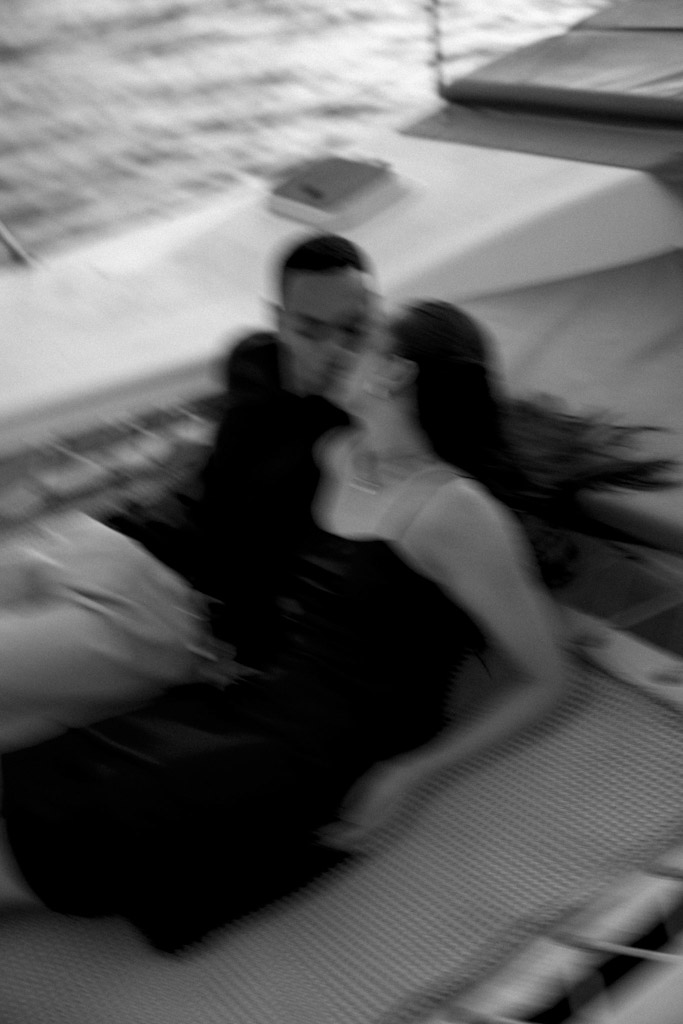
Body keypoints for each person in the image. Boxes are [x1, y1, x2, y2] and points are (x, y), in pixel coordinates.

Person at [0, 301, 574, 951]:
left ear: (394, 375)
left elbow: (549, 678)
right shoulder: (342, 453)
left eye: (361, 340)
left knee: (100, 812)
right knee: (54, 769)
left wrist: (416, 772)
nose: (341, 351)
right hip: (252, 698)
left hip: (323, 750)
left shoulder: (453, 511)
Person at [108, 232, 377, 668]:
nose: (337, 352)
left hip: (183, 606)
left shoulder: (372, 424)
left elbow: (270, 563)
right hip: (141, 539)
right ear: (280, 322)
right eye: (311, 331)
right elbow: (224, 481)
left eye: (353, 330)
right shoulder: (252, 359)